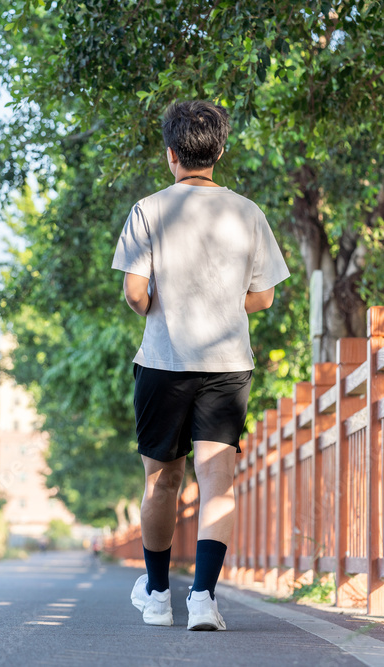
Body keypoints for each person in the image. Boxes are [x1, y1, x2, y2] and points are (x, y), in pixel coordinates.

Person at [111, 100, 290, 630]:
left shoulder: (149, 209)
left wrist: (165, 303)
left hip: (164, 363)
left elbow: (136, 295)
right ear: (220, 151)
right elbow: (263, 298)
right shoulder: (247, 212)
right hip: (227, 365)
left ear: (170, 154)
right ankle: (205, 599)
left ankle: (160, 595)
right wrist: (218, 302)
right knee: (217, 482)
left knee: (161, 482)